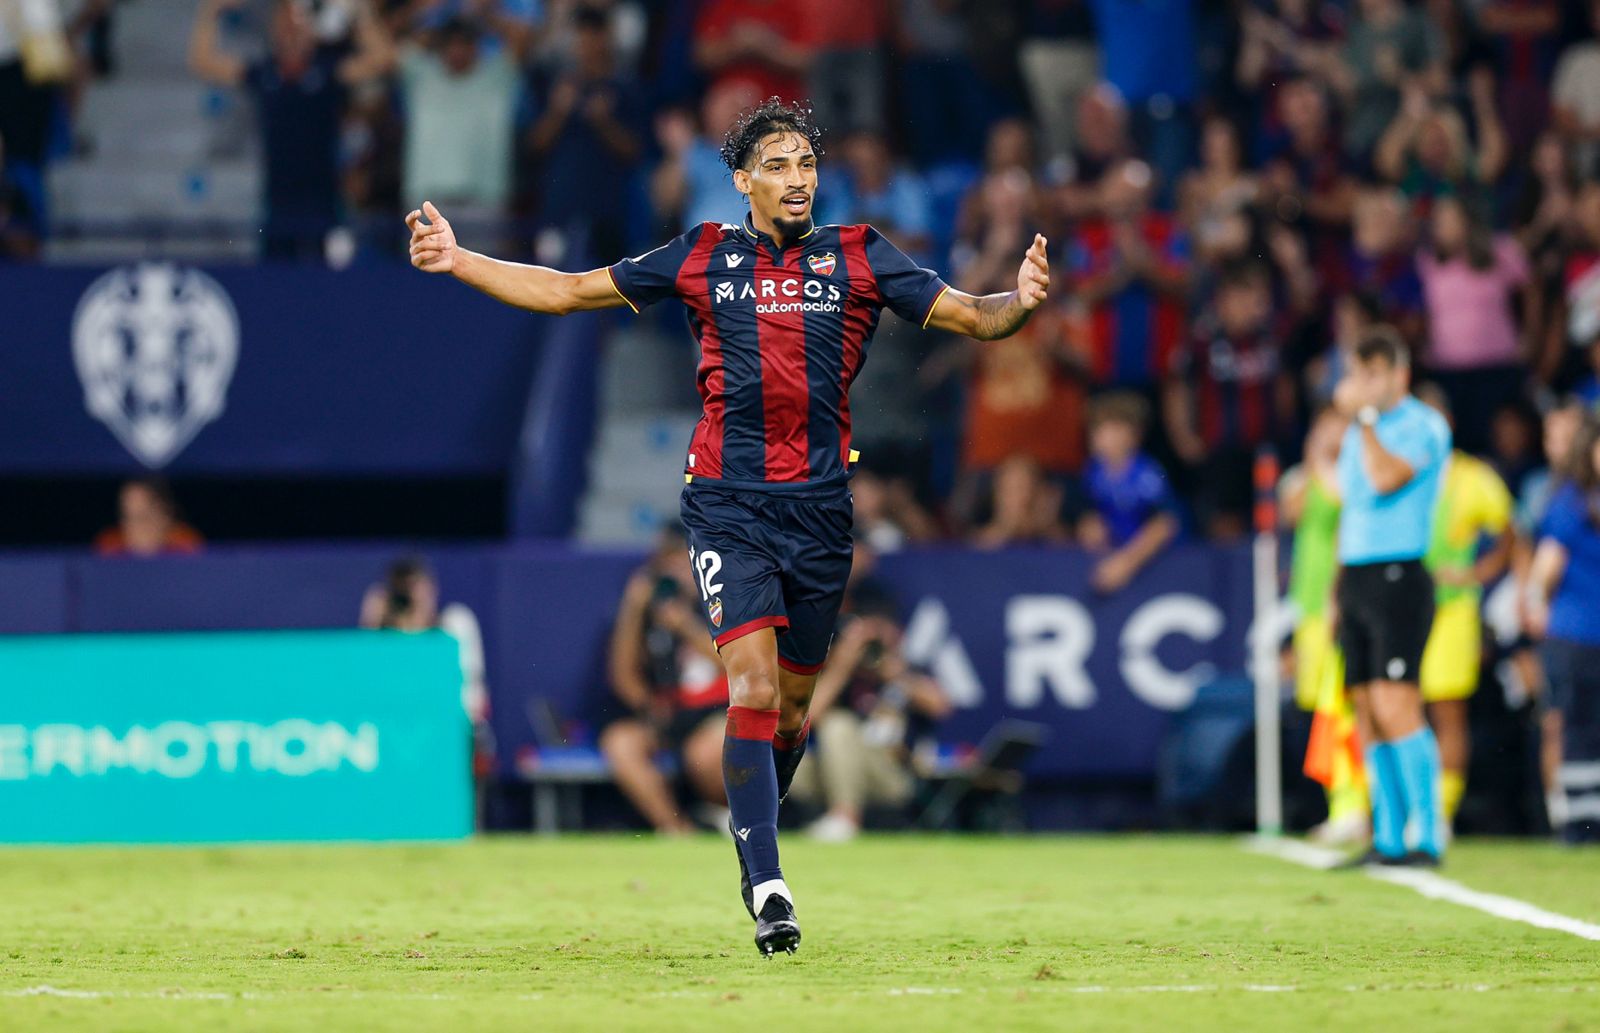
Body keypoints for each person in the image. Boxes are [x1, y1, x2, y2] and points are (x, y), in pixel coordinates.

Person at [405, 98, 1051, 956]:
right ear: (742, 180)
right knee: (747, 689)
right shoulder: (704, 253)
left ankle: (754, 826)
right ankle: (769, 885)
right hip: (725, 502)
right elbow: (566, 291)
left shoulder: (861, 256)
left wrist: (1023, 298)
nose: (796, 179)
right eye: (777, 165)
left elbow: (976, 315)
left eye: (806, 164)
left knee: (788, 714)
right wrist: (460, 260)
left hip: (821, 513)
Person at [1331, 328, 1452, 866]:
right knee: (1365, 708)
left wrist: (1362, 418)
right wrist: (1338, 586)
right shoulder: (1362, 431)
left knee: (1397, 703)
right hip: (1357, 576)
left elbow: (1384, 480)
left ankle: (1429, 835)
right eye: (1357, 373)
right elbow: (1349, 506)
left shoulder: (1423, 426)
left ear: (1399, 375)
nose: (1362, 384)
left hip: (1400, 573)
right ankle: (1388, 837)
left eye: (1372, 373)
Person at [188, 0, 395, 259]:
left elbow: (384, 59)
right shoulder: (264, 73)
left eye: (297, 26)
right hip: (278, 204)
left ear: (311, 31)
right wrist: (210, 12)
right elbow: (203, 63)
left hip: (324, 203)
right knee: (276, 282)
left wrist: (361, 13)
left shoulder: (327, 70)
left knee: (327, 283)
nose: (291, 33)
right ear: (273, 33)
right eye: (284, 26)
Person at [788, 542, 950, 842]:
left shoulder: (902, 666)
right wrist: (843, 664)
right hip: (837, 772)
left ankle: (844, 818)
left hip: (891, 776)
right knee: (784, 756)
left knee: (839, 727)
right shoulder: (841, 670)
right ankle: (749, 818)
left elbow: (940, 705)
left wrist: (895, 673)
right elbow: (805, 719)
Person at [1415, 384, 1514, 832]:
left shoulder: (1474, 478)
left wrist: (1477, 573)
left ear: (1448, 423)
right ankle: (1405, 807)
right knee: (1401, 710)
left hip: (1453, 610)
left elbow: (1512, 534)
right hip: (1404, 608)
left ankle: (1441, 811)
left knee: (1446, 710)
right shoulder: (1397, 474)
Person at [596, 523, 729, 836]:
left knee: (705, 752)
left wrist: (686, 627)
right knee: (620, 741)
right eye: (667, 562)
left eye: (682, 561)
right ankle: (677, 830)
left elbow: (737, 667)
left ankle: (735, 820)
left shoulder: (726, 599)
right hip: (671, 716)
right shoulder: (651, 613)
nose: (675, 571)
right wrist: (632, 610)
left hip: (720, 714)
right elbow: (626, 685)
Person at [1284, 406, 1370, 846]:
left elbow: (1341, 504)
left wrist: (1324, 457)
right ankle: (1342, 805)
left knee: (1341, 709)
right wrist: (1313, 457)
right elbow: (1291, 509)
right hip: (1308, 610)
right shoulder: (1304, 479)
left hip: (1337, 606)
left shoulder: (1353, 476)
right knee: (1322, 712)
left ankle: (1353, 807)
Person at [358, 555, 495, 826]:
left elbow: (469, 689)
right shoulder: (388, 636)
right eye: (405, 588)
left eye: (418, 586)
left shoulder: (455, 622)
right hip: (397, 730)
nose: (413, 595)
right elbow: (368, 685)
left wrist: (420, 624)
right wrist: (375, 626)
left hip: (453, 729)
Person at [1526, 413, 1600, 843]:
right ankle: (1579, 822)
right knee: (1575, 729)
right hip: (1575, 636)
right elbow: (1545, 566)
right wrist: (1535, 604)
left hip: (1577, 634)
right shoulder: (1571, 500)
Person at [1078, 392, 1180, 594]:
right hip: (1110, 559)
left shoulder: (1147, 474)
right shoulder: (1093, 472)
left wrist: (1126, 563)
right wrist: (1088, 526)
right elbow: (1089, 516)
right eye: (1097, 428)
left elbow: (1164, 525)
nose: (1102, 436)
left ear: (1134, 434)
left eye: (1112, 428)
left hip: (1154, 564)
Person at [93, 478, 204, 557]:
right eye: (127, 517)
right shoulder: (110, 548)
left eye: (144, 517)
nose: (135, 527)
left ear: (165, 516)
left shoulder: (185, 548)